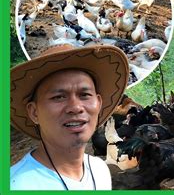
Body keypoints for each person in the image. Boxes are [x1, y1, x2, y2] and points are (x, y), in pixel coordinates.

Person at [10, 44, 129, 190]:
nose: (76, 107)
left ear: (98, 104)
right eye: (58, 97)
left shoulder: (100, 170)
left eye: (85, 95)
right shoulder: (17, 185)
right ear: (34, 112)